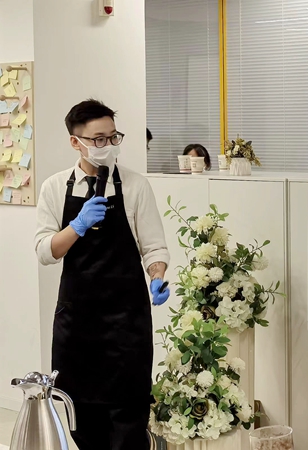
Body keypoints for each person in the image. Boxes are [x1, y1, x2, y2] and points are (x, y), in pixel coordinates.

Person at [34, 99, 171, 450]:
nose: (107, 145)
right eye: (98, 139)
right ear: (75, 141)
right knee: (81, 422)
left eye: (113, 137)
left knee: (129, 423)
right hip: (77, 325)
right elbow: (46, 251)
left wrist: (157, 275)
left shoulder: (136, 186)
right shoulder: (54, 188)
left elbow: (154, 247)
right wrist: (77, 226)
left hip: (127, 324)